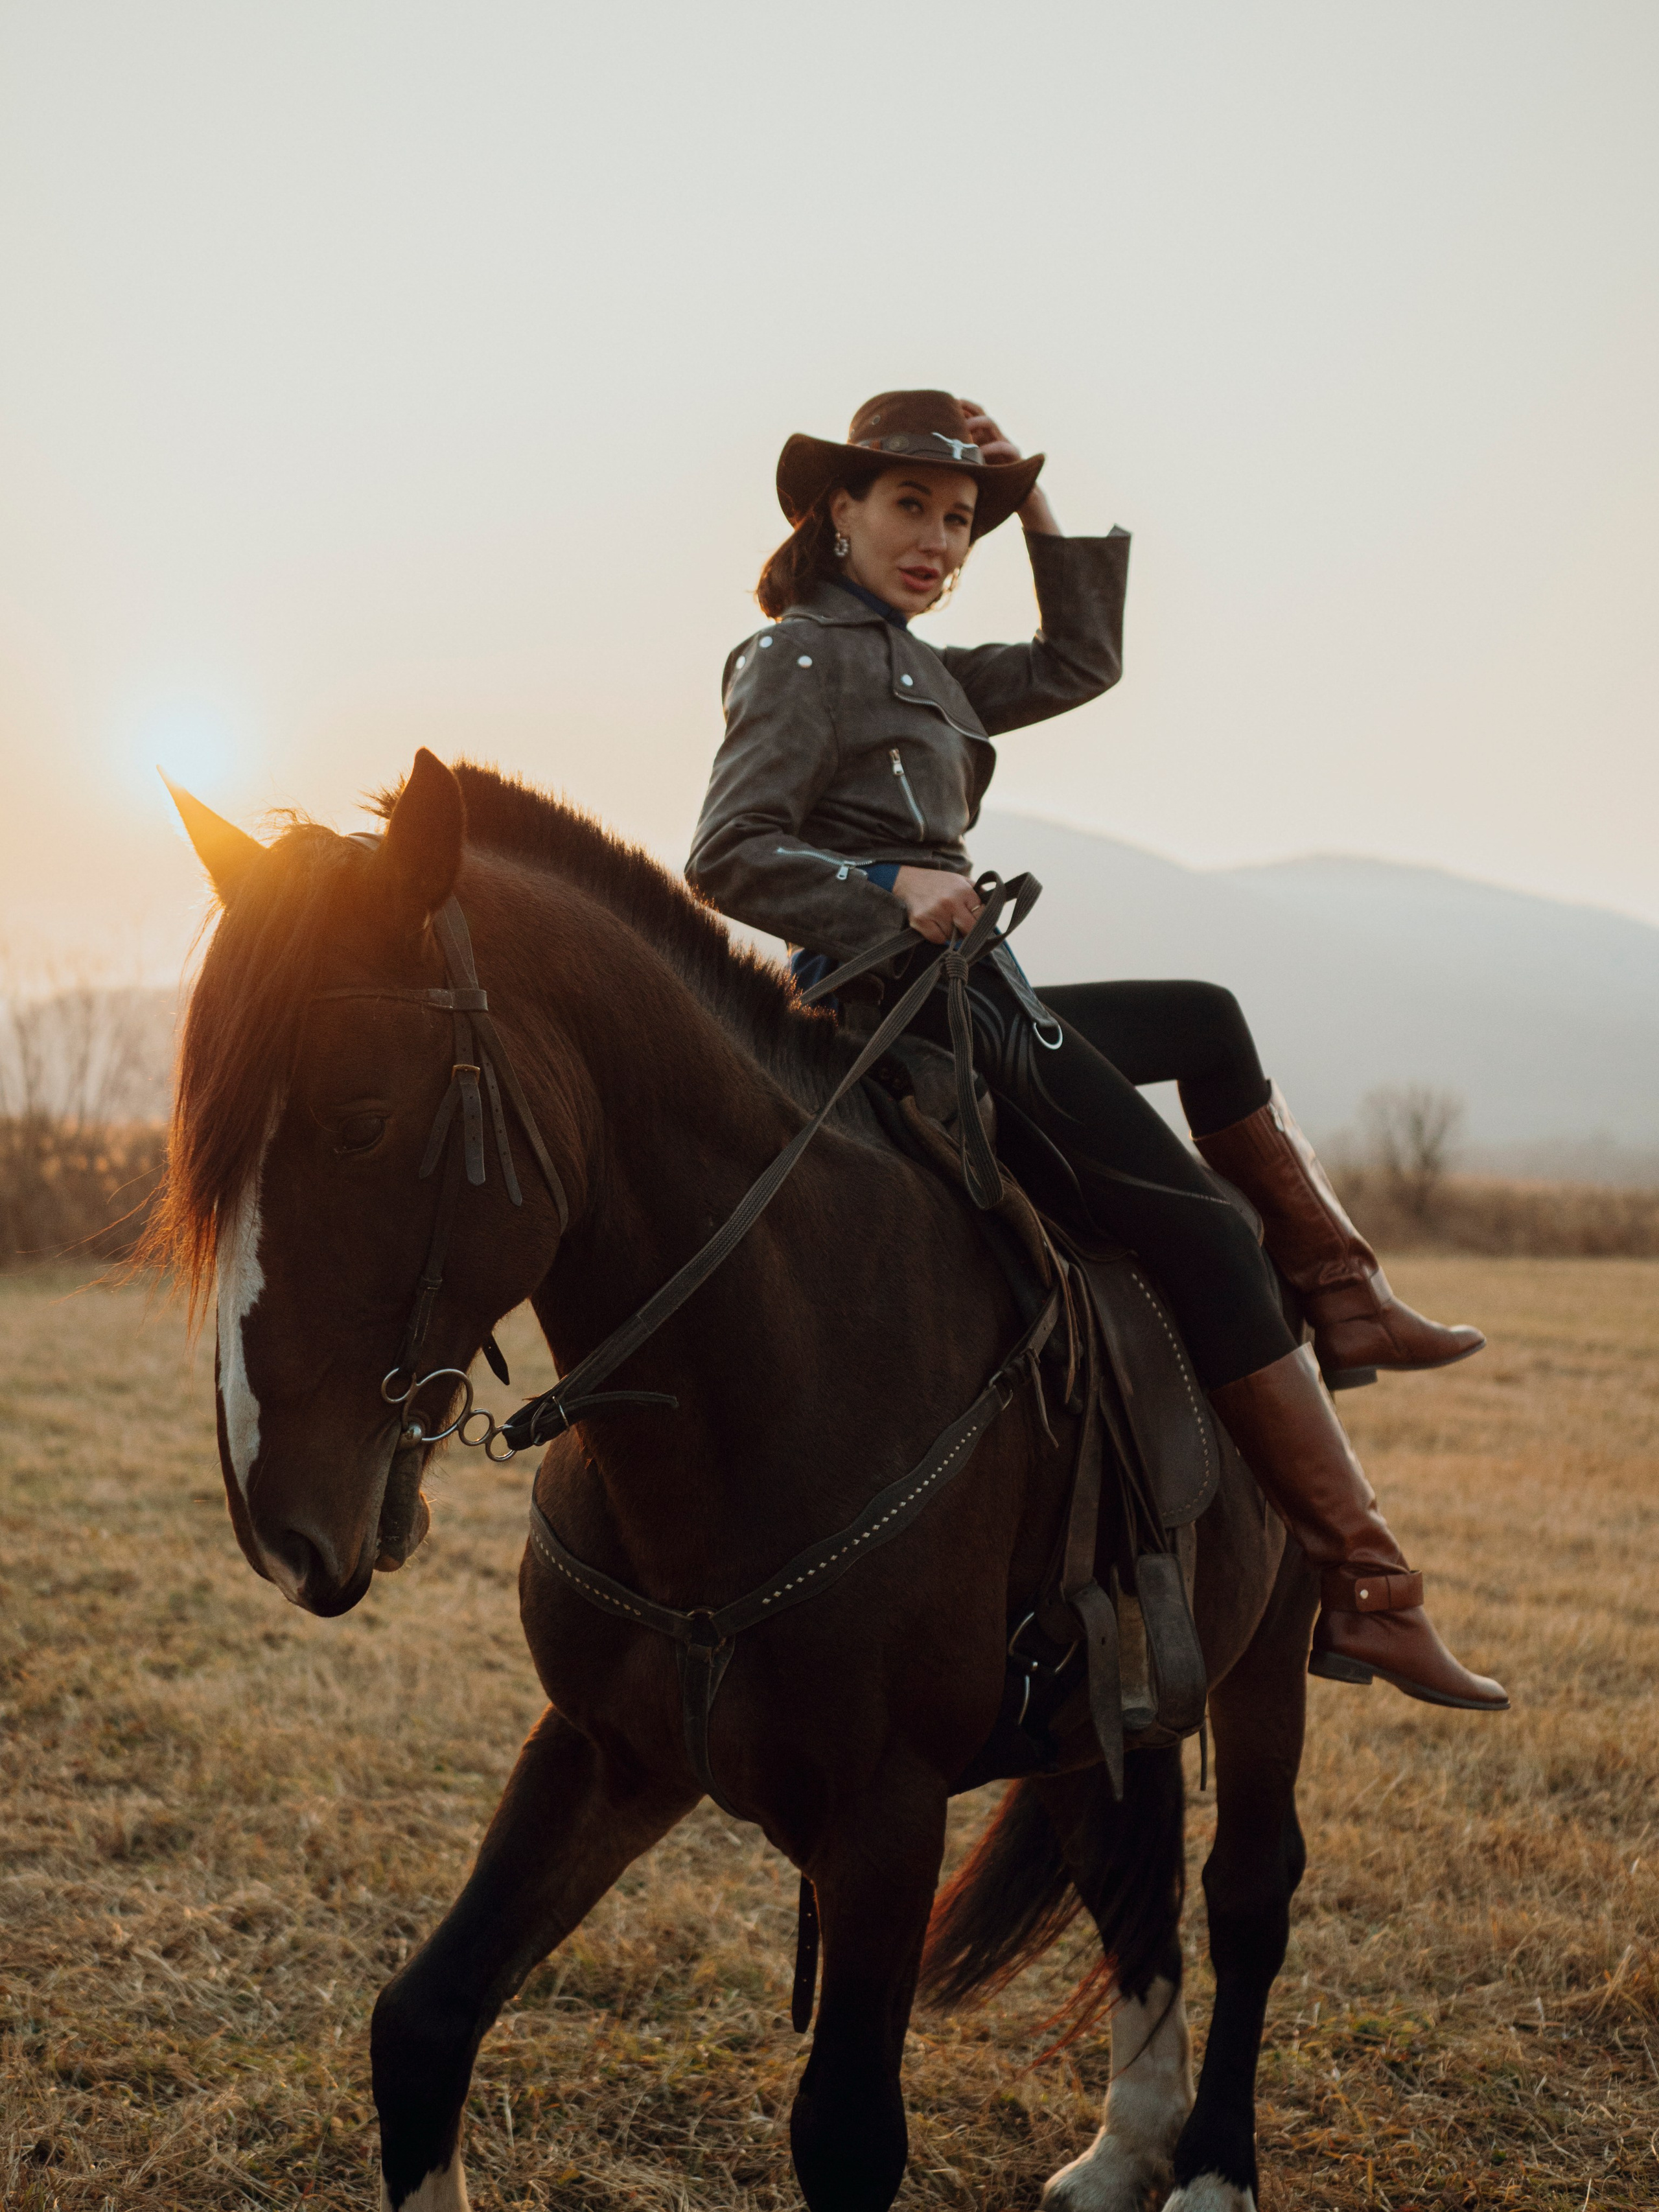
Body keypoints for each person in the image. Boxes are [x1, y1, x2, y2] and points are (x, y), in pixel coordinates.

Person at [686, 389, 1505, 1714]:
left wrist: (1034, 501)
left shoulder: (922, 666)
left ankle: (1344, 1290)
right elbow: (727, 852)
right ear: (837, 513)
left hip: (979, 991)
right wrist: (885, 886)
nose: (938, 543)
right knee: (1208, 1236)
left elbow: (1081, 661)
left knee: (1204, 1020)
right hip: (909, 1014)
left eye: (961, 521)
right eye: (910, 508)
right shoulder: (796, 657)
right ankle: (1370, 1588)